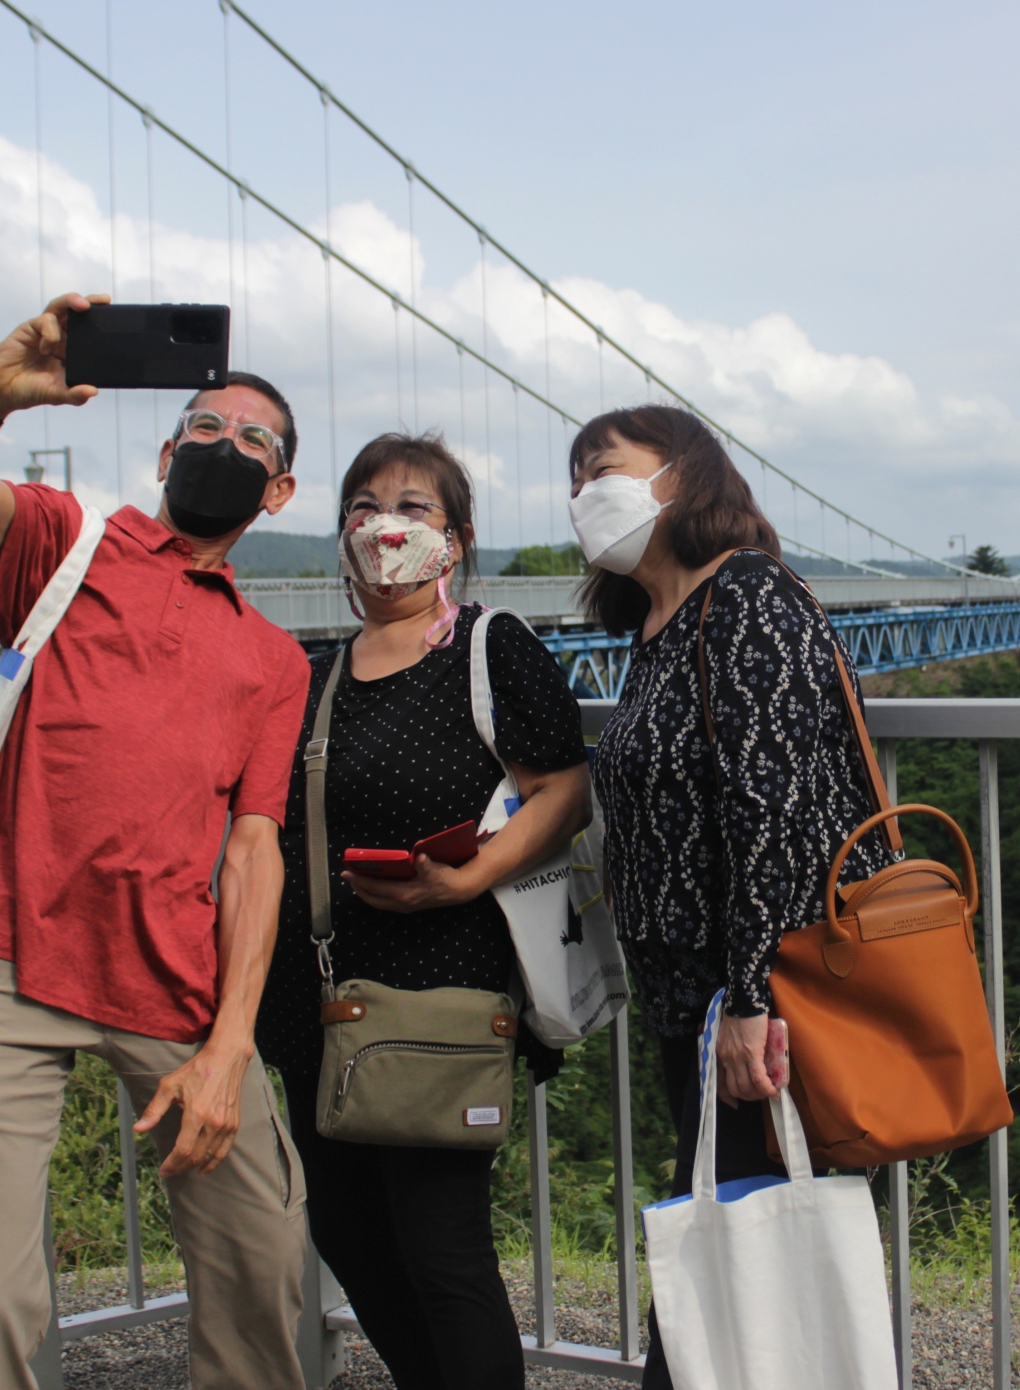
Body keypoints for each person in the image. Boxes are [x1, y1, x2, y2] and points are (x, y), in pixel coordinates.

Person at [0, 291, 313, 1390]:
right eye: (203, 427)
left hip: (178, 992)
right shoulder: (67, 540)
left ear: (277, 491)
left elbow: (253, 849)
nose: (222, 446)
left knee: (266, 1262)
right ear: (163, 447)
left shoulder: (275, 662)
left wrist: (232, 1042)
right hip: (4, 958)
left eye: (252, 441)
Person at [256, 432, 590, 1390]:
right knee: (354, 1244)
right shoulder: (312, 675)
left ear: (458, 539)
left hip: (437, 1000)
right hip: (315, 1005)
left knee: (440, 1251)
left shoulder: (490, 647)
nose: (383, 524)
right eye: (363, 505)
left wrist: (468, 878)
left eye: (413, 507)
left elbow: (563, 791)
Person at [570, 405, 893, 1389]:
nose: (586, 493)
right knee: (736, 1274)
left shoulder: (746, 594)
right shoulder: (657, 625)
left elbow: (771, 810)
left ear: (685, 477)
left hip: (763, 1009)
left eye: (607, 469)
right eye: (575, 475)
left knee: (723, 1283)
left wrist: (752, 1001)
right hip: (695, 1010)